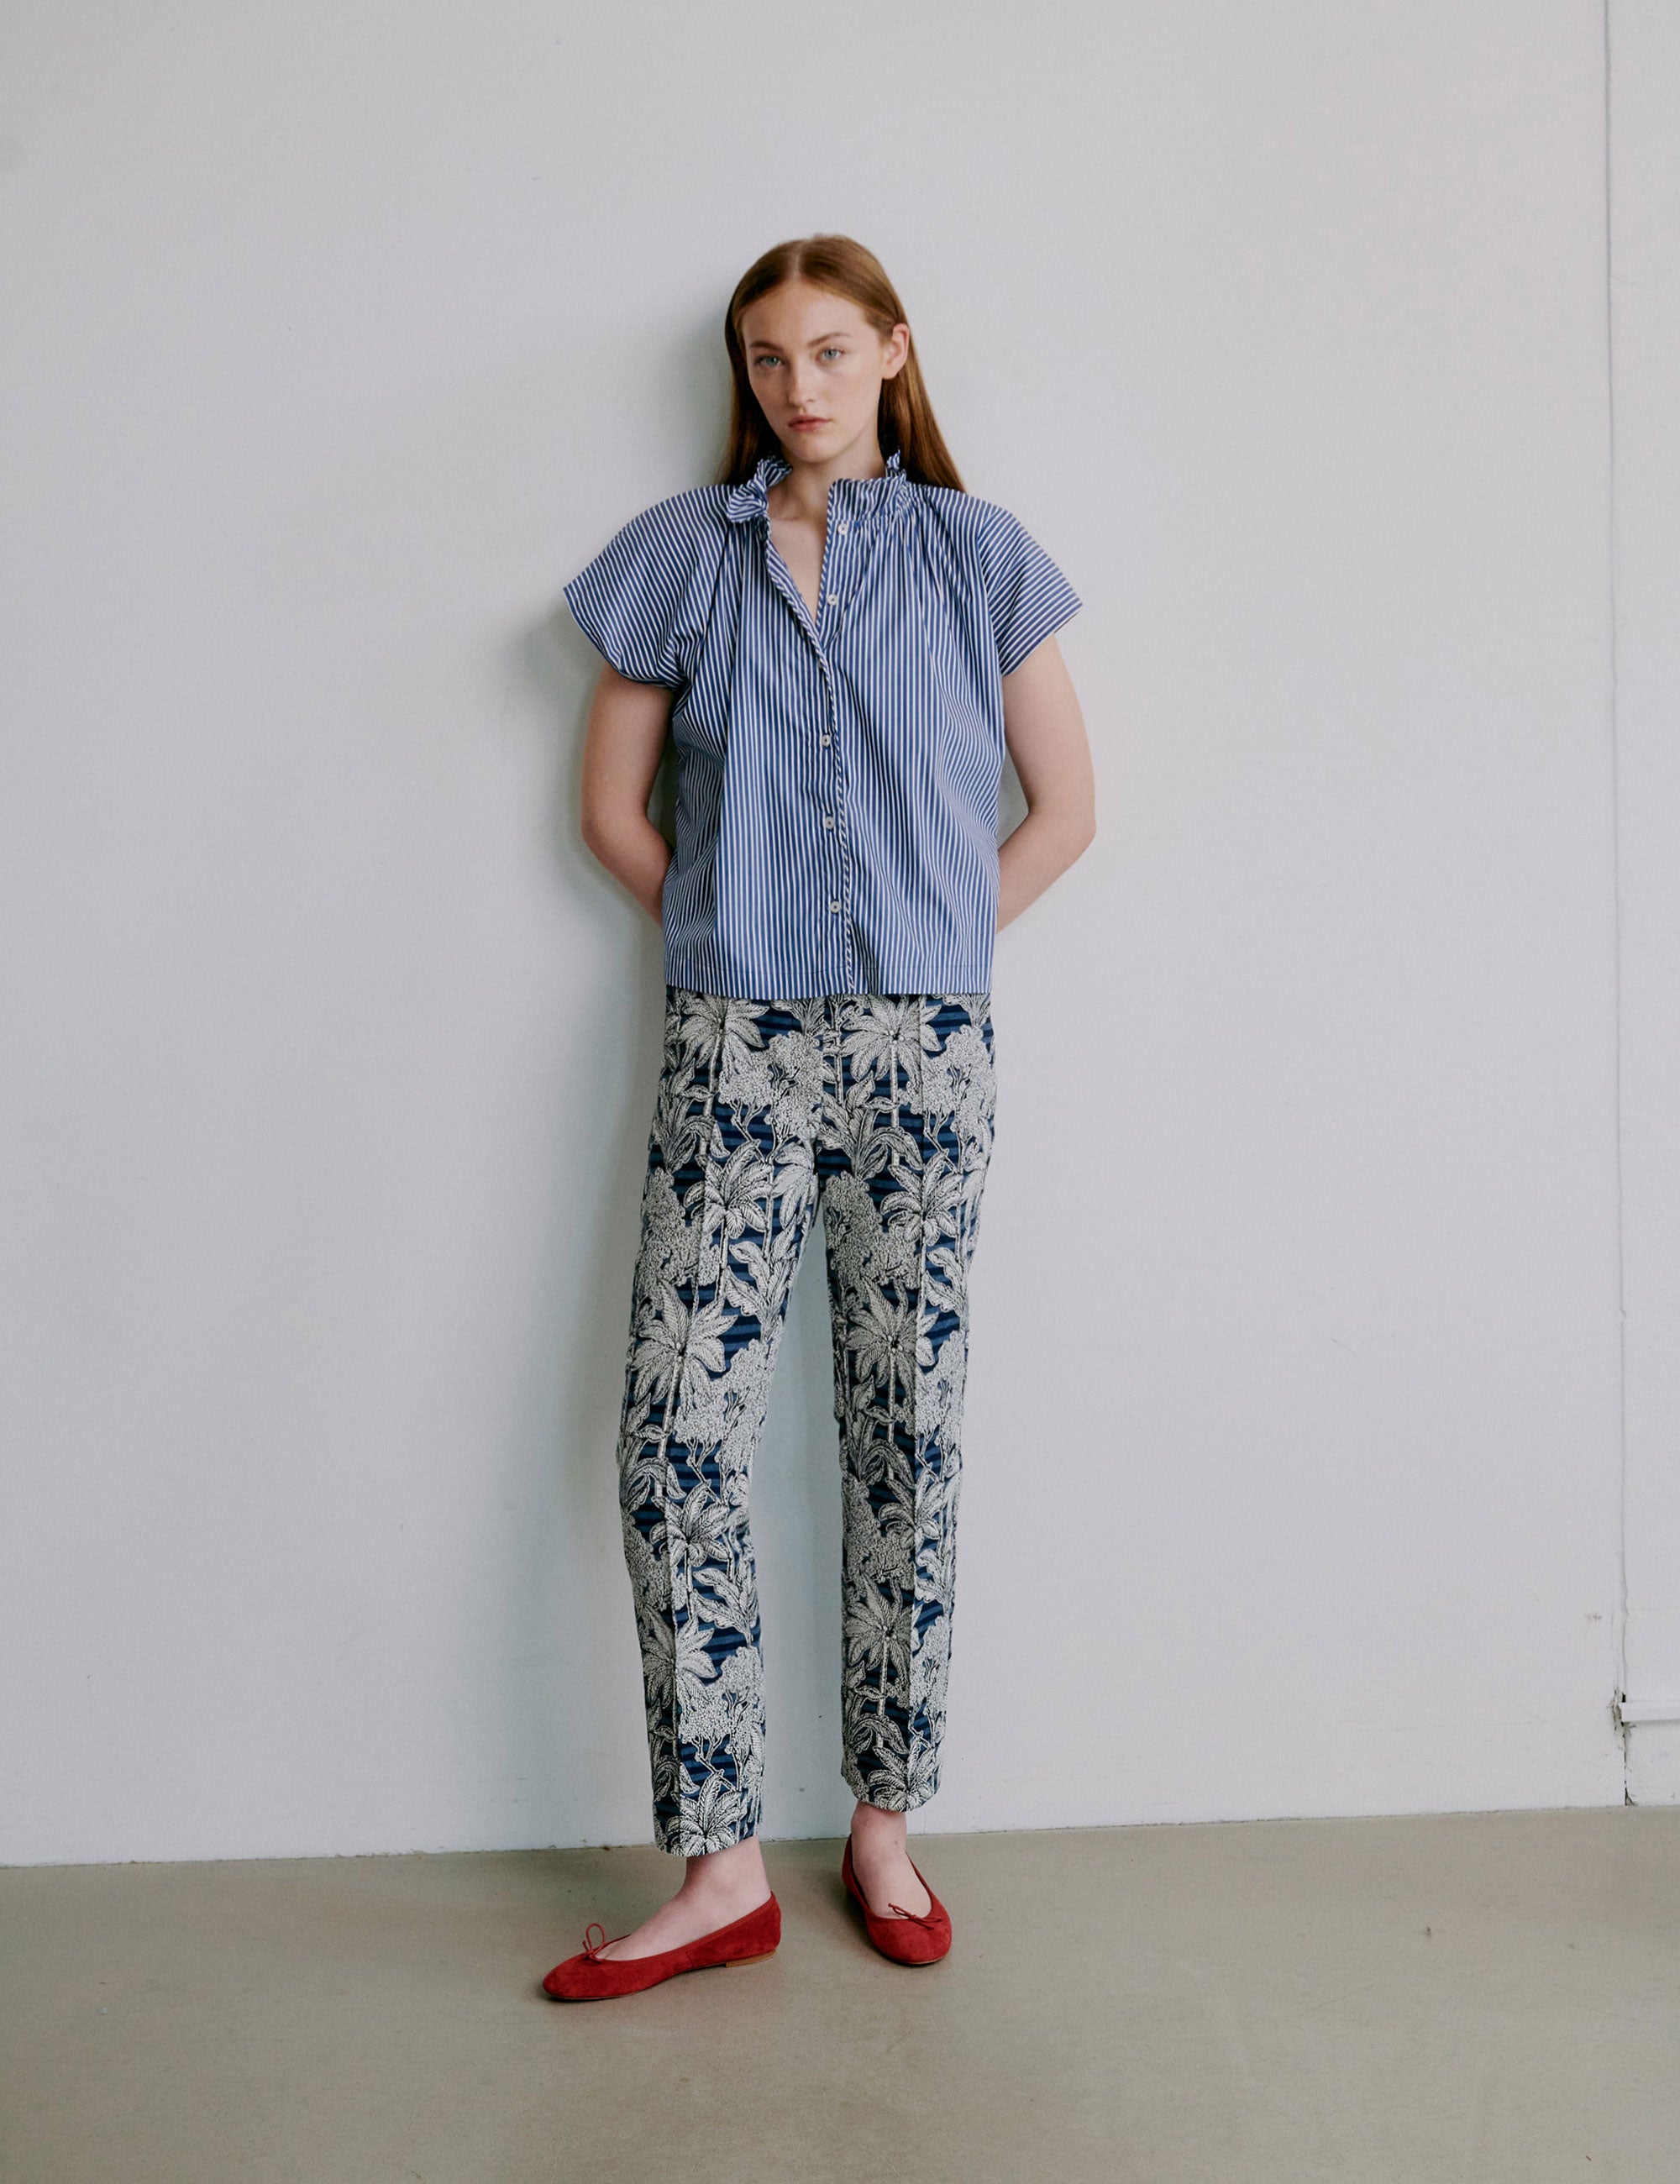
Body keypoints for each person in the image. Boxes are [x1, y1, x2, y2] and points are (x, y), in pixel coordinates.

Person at [542, 234, 1096, 2001]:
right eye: (771, 356)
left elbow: (1067, 805)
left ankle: (881, 1823)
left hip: (926, 1055)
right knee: (673, 1443)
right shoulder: (677, 563)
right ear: (747, 374)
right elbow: (614, 813)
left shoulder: (978, 555)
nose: (802, 385)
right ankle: (719, 1866)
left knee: (903, 1431)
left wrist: (919, 955)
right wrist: (743, 948)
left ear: (894, 354)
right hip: (732, 1049)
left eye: (834, 349)